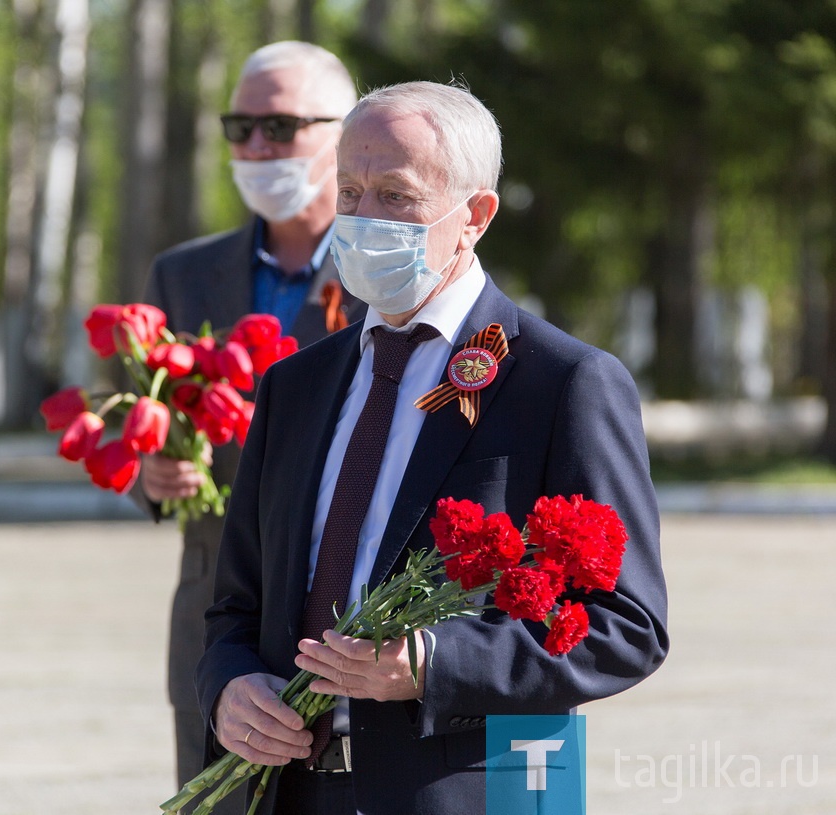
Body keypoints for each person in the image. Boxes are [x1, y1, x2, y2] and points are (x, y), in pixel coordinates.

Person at [195, 81, 670, 814]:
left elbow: (626, 626)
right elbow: (234, 605)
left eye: (395, 196)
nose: (363, 218)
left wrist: (435, 663)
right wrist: (230, 687)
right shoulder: (295, 385)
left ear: (474, 215)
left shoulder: (561, 382)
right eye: (349, 191)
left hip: (446, 792)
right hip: (281, 791)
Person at [136, 41, 366, 794]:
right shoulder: (184, 273)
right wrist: (155, 470)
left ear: (345, 130)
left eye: (281, 126)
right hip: (215, 618)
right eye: (241, 128)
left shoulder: (391, 270)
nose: (257, 146)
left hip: (350, 613)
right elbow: (154, 418)